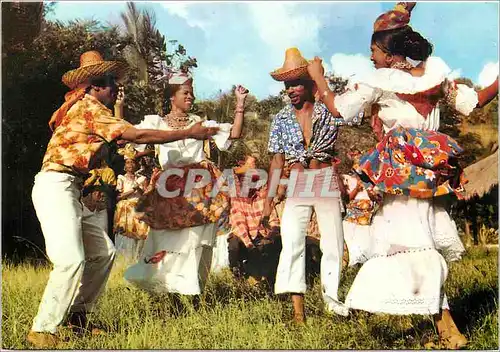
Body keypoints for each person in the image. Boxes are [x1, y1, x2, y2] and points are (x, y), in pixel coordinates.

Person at [306, 2, 499, 348]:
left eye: (374, 51)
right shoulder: (434, 79)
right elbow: (474, 102)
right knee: (414, 243)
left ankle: (450, 332)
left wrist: (318, 77)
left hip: (400, 179)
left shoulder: (380, 82)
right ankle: (443, 330)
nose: (371, 58)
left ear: (391, 53)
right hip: (425, 177)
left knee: (410, 246)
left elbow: (339, 109)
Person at [28, 50, 218, 348]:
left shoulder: (81, 107)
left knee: (103, 253)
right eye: (110, 83)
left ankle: (78, 318)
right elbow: (137, 136)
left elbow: (111, 139)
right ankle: (43, 329)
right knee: (71, 260)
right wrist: (190, 133)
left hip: (71, 188)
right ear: (93, 86)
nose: (116, 88)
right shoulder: (89, 108)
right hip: (56, 185)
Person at [123, 71, 249, 297]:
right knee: (165, 240)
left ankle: (191, 292)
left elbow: (235, 133)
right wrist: (119, 108)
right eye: (186, 93)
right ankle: (167, 293)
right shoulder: (156, 122)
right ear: (172, 97)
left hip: (197, 188)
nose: (191, 97)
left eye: (192, 93)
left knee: (194, 240)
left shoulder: (200, 124)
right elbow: (129, 136)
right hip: (168, 190)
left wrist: (240, 103)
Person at [262, 47, 361, 323]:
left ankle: (332, 302)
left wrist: (322, 82)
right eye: (286, 86)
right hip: (298, 182)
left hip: (325, 178)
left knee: (332, 242)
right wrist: (269, 201)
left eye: (295, 84)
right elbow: (276, 162)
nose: (290, 90)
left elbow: (353, 114)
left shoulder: (328, 110)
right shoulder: (281, 118)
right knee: (292, 241)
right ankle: (298, 312)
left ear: (308, 84)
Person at [113, 145, 150, 261]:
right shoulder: (121, 178)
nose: (130, 165)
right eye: (128, 163)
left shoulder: (142, 179)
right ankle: (123, 261)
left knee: (140, 235)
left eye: (133, 163)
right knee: (125, 235)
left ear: (137, 165)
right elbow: (118, 196)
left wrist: (139, 189)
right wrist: (132, 190)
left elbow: (146, 196)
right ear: (125, 165)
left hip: (138, 208)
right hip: (125, 210)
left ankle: (137, 260)